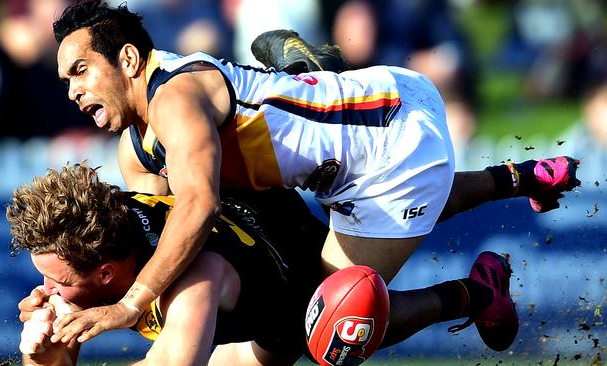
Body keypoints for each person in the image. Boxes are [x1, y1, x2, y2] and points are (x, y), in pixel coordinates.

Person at [47, 0, 581, 354]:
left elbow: (197, 209)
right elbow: (156, 237)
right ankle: (520, 177)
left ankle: (475, 293)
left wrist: (129, 305)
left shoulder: (174, 103)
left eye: (81, 70)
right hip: (388, 98)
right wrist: (75, 290)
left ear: (129, 59)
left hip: (394, 147)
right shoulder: (139, 144)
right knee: (363, 211)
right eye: (65, 79)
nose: (71, 90)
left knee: (319, 320)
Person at [13, 162, 573, 365]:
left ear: (108, 273)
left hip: (297, 284)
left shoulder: (197, 282)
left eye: (56, 279)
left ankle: (475, 294)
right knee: (401, 207)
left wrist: (52, 363)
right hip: (263, 207)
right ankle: (516, 179)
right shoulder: (116, 207)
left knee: (330, 332)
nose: (45, 288)